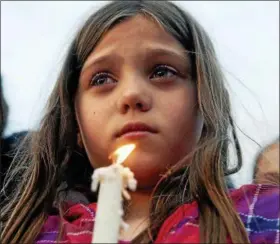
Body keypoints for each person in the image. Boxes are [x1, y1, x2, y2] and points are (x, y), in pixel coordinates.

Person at [1, 1, 278, 243]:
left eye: (161, 71)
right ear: (76, 124)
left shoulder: (261, 216)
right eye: (102, 79)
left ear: (205, 103)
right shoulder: (35, 236)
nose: (131, 94)